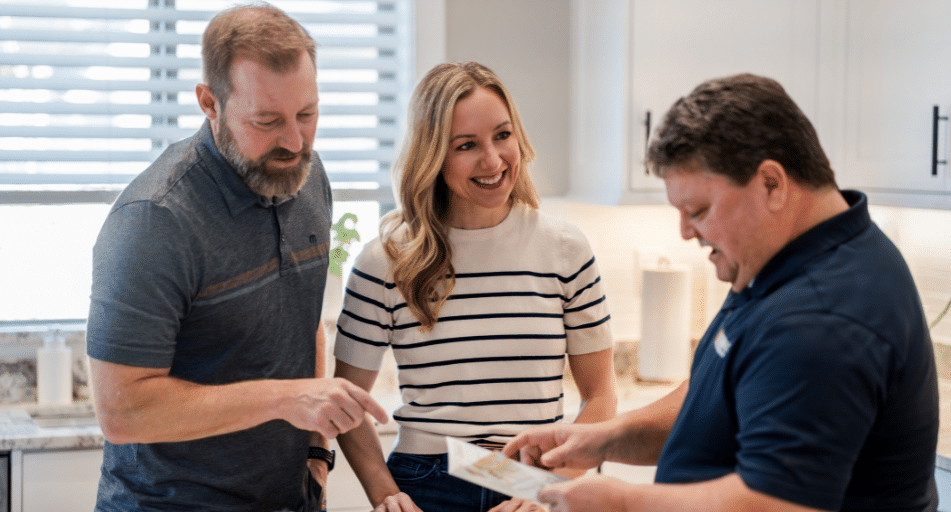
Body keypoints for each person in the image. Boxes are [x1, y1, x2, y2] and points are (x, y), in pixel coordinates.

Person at [503, 73, 940, 512]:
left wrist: (622, 503)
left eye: (698, 210)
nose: (685, 232)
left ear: (771, 183)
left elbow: (774, 504)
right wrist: (605, 438)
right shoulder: (783, 258)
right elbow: (722, 400)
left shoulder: (819, 319)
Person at [85, 4, 387, 511]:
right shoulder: (154, 221)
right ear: (210, 103)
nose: (294, 142)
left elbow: (303, 317)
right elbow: (123, 410)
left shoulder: (308, 178)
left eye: (307, 114)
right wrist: (288, 399)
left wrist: (317, 451)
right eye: (266, 121)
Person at [330, 61, 619, 512]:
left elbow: (601, 397)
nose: (493, 160)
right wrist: (384, 494)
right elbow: (345, 406)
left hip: (535, 478)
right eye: (466, 145)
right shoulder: (385, 260)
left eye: (502, 136)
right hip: (427, 482)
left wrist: (553, 489)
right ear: (433, 157)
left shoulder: (565, 249)